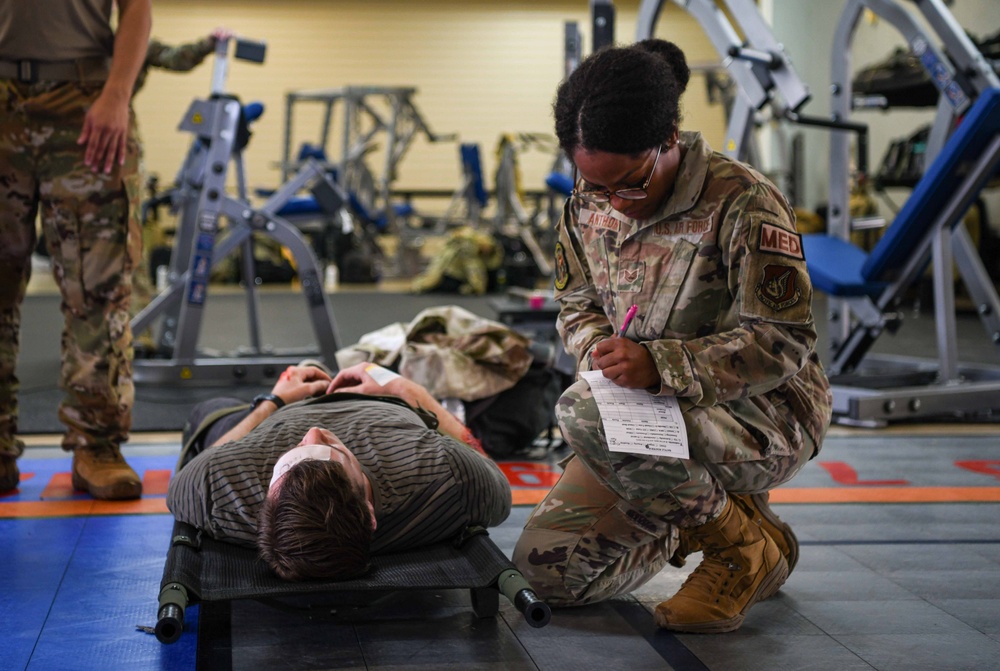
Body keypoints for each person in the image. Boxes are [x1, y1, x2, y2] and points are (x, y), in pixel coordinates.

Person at [512, 39, 833, 633]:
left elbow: (784, 342)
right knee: (548, 577)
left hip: (762, 413)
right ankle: (727, 513)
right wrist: (597, 353)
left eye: (629, 184)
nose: (614, 204)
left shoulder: (743, 202)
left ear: (668, 141)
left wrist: (663, 366)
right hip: (638, 417)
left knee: (585, 414)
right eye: (595, 185)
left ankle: (739, 549)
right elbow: (576, 298)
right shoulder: (589, 199)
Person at [0, 0, 153, 499]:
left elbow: (137, 8)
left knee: (97, 287)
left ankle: (96, 445)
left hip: (86, 99)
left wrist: (116, 93)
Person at [166, 361, 512, 581]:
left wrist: (273, 401)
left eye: (297, 453)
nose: (313, 433)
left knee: (213, 408)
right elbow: (490, 470)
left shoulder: (221, 488)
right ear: (370, 513)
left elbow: (196, 470)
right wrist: (406, 389)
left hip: (282, 411)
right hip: (380, 402)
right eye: (333, 451)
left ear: (266, 500)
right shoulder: (450, 476)